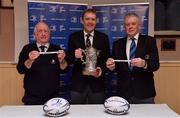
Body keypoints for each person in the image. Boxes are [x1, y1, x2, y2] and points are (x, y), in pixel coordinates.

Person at [106, 13, 160, 104]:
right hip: (123, 94)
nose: (130, 26)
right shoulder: (117, 44)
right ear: (124, 26)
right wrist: (111, 67)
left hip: (145, 93)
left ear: (139, 25)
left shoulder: (149, 41)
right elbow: (115, 67)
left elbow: (155, 65)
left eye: (133, 24)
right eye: (127, 24)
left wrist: (144, 64)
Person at [17, 22, 68, 105]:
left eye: (46, 31)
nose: (43, 34)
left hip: (53, 97)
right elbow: (20, 70)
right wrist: (30, 60)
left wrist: (61, 61)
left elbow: (65, 69)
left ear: (49, 34)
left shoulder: (56, 49)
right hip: (32, 97)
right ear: (35, 34)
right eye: (40, 31)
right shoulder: (27, 48)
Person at [67, 9, 110, 104]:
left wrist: (100, 69)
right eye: (87, 19)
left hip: (97, 85)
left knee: (97, 113)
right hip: (78, 86)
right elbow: (68, 59)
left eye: (93, 19)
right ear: (82, 20)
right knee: (76, 113)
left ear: (96, 21)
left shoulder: (103, 38)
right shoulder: (73, 37)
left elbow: (106, 60)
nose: (90, 22)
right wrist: (74, 56)